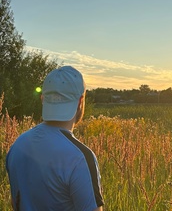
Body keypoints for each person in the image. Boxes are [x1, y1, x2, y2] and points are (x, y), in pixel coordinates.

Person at [6, 66, 104, 211]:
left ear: (43, 99)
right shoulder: (80, 158)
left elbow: (15, 203)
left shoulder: (18, 145)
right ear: (80, 102)